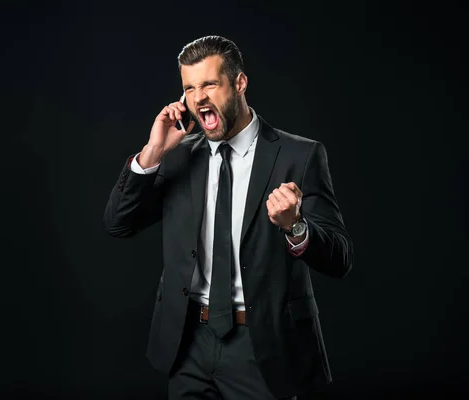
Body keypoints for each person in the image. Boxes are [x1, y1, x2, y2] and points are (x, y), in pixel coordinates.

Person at [103, 35, 353, 400]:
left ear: (239, 83)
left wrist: (295, 227)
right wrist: (152, 151)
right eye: (189, 88)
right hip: (188, 344)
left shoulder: (299, 155)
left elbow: (340, 258)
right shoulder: (176, 155)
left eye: (209, 84)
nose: (198, 97)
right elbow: (118, 224)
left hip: (262, 346)